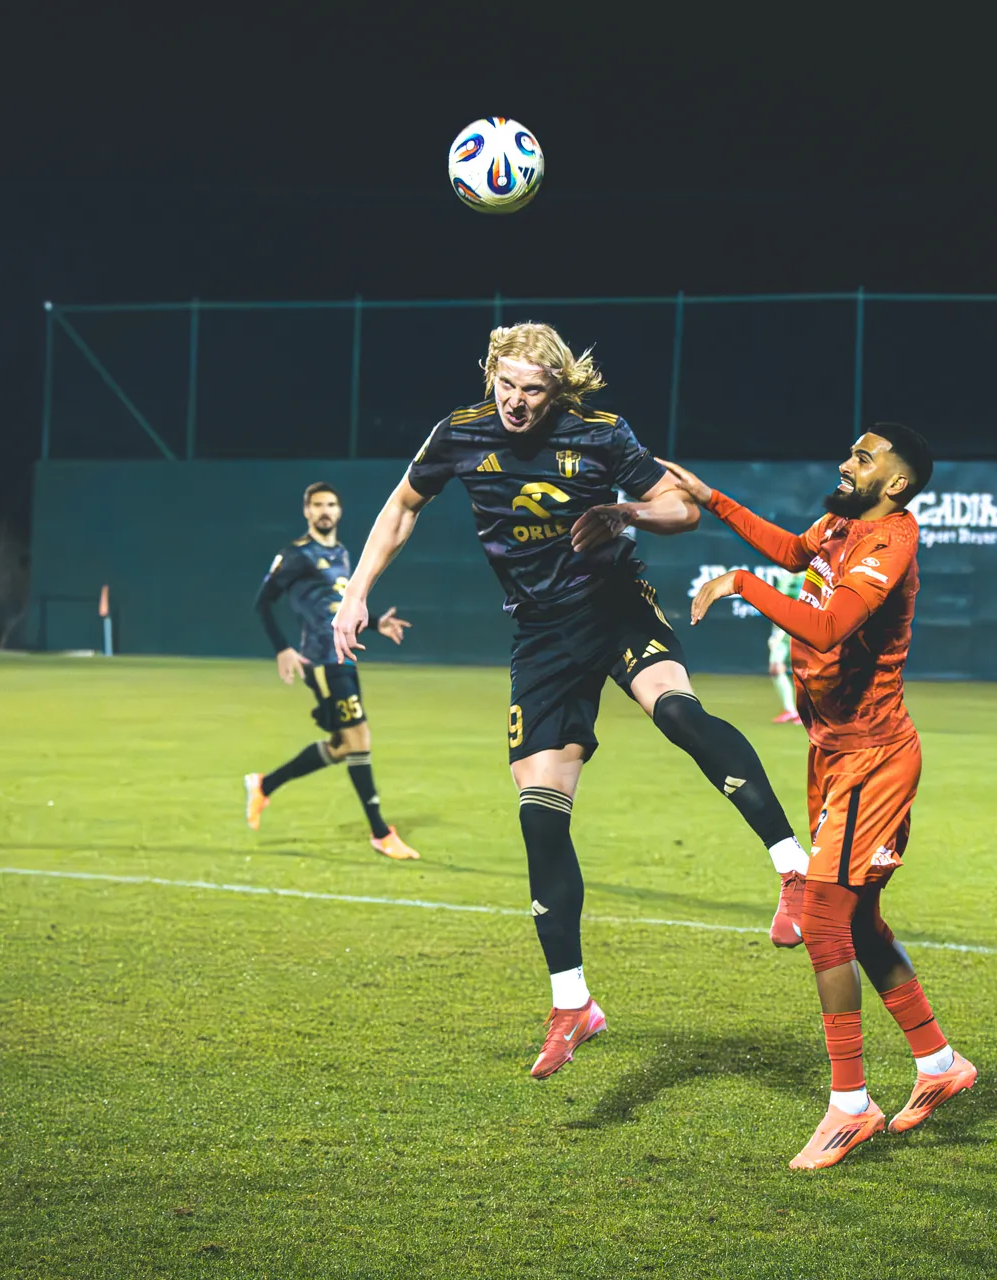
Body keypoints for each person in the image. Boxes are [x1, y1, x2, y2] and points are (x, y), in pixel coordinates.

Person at [332, 322, 811, 1079]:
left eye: (533, 389)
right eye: (506, 384)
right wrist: (358, 589)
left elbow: (680, 509)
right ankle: (573, 1004)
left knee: (678, 712)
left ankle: (794, 871)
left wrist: (625, 513)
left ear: (558, 390)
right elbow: (401, 506)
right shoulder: (459, 433)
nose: (517, 401)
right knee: (540, 816)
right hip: (540, 635)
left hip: (614, 606)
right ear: (490, 375)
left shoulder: (600, 433)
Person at [667, 423, 977, 1171]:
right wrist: (713, 499)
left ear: (895, 483)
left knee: (825, 918)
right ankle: (939, 1064)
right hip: (831, 752)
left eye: (863, 458)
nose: (846, 463)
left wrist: (741, 585)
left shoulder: (890, 540)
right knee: (859, 920)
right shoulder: (841, 522)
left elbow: (833, 626)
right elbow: (792, 552)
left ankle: (850, 1104)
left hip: (874, 758)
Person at [245, 482, 422, 861]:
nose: (324, 511)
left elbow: (335, 607)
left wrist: (374, 622)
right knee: (359, 738)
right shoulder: (296, 555)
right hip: (322, 661)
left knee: (343, 746)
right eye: (317, 505)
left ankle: (264, 785)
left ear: (339, 511)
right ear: (306, 511)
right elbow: (263, 603)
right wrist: (283, 648)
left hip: (344, 656)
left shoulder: (340, 553)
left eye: (330, 504)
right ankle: (380, 833)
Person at [765, 567, 802, 724]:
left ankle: (805, 712)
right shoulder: (785, 579)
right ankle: (790, 710)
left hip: (800, 630)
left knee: (804, 672)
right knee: (776, 668)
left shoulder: (808, 578)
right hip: (782, 631)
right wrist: (776, 634)